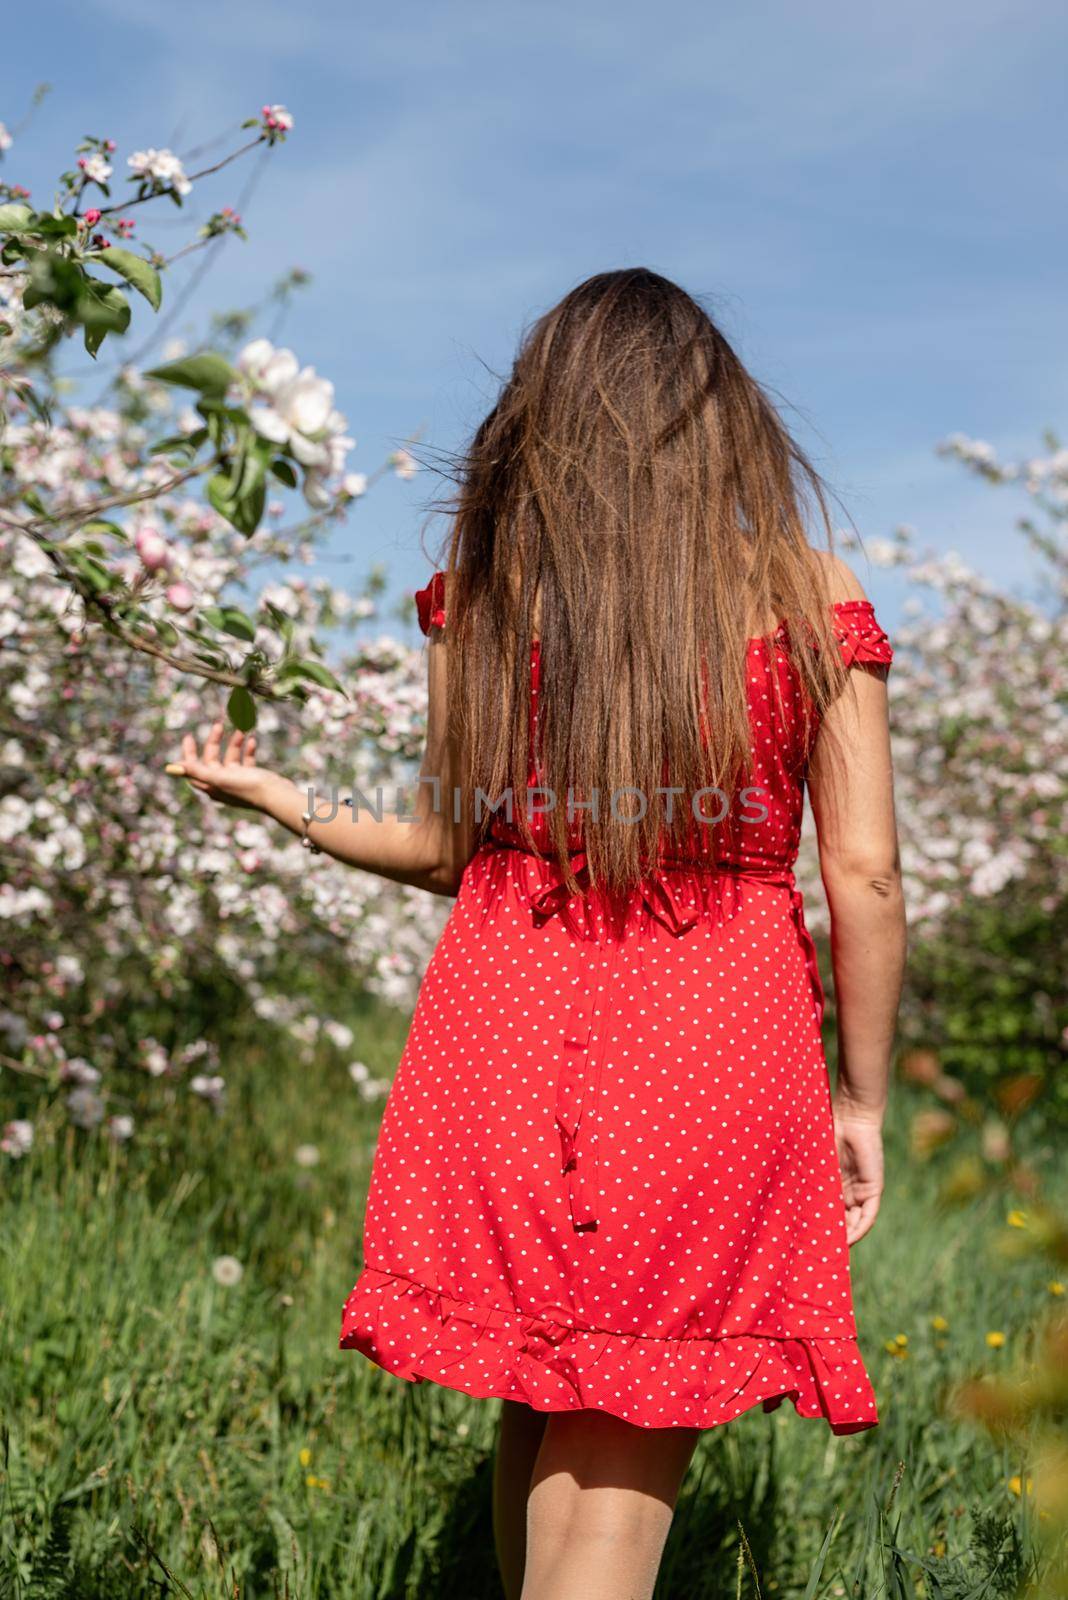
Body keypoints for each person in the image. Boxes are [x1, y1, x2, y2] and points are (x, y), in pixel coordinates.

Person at [169, 268, 907, 1600]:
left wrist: (294, 805)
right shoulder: (808, 592)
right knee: (620, 1437)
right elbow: (866, 873)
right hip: (713, 1038)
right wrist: (861, 1096)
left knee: (539, 1392)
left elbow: (448, 847)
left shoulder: (491, 595)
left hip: (501, 1029)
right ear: (722, 419)